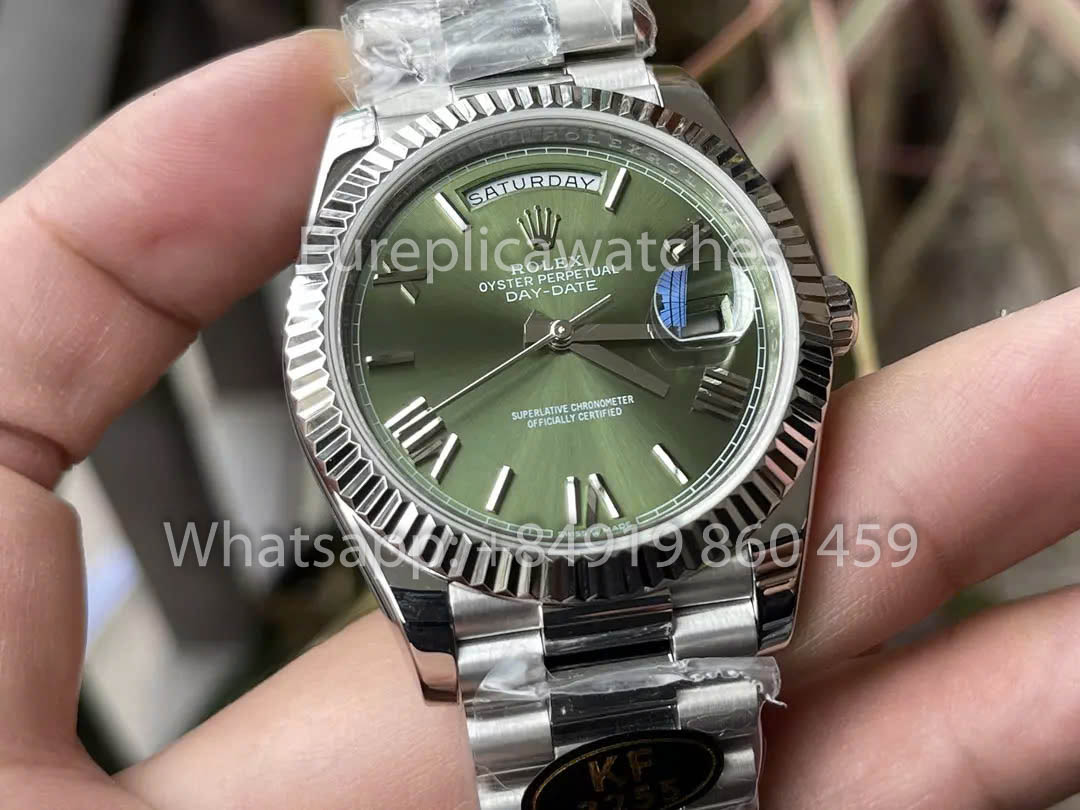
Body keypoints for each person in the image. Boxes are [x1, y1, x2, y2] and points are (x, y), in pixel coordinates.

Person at [1, 30, 1077, 810]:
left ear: (815, 313)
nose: (557, 335)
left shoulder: (666, 132)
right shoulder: (377, 173)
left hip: (709, 538)